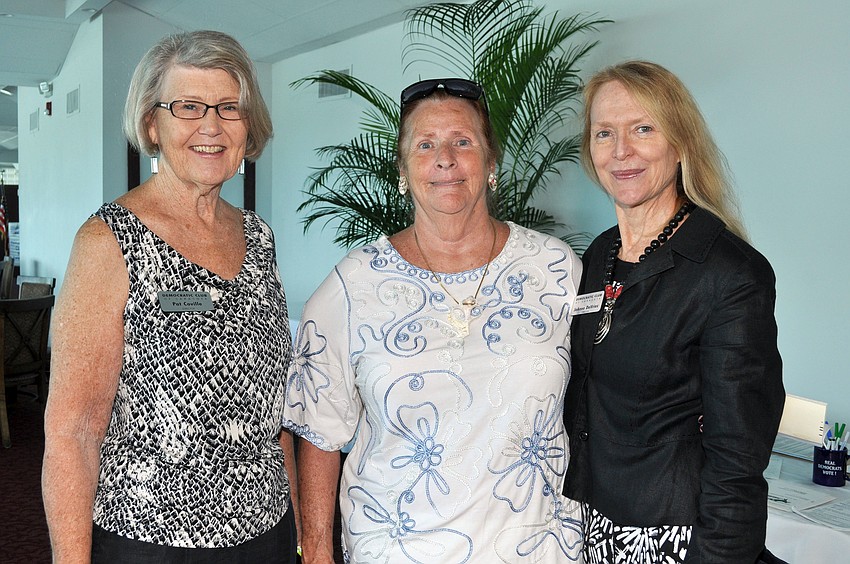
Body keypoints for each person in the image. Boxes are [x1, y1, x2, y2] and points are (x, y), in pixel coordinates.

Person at [284, 78, 584, 563]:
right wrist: (316, 551)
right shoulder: (350, 287)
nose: (445, 158)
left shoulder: (556, 267)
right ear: (403, 171)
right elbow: (319, 432)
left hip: (536, 548)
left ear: (491, 164)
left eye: (463, 142)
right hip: (395, 549)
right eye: (425, 145)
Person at [42, 30, 299, 563]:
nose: (211, 125)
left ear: (249, 127)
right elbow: (74, 431)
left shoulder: (260, 237)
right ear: (151, 124)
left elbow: (272, 414)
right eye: (188, 106)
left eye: (229, 107)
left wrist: (296, 534)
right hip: (151, 541)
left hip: (266, 532)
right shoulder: (108, 240)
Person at [562, 60, 785, 563]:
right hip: (597, 525)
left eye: (643, 128)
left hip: (674, 536)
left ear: (681, 142)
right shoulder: (600, 255)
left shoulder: (729, 272)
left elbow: (738, 458)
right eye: (604, 133)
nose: (622, 151)